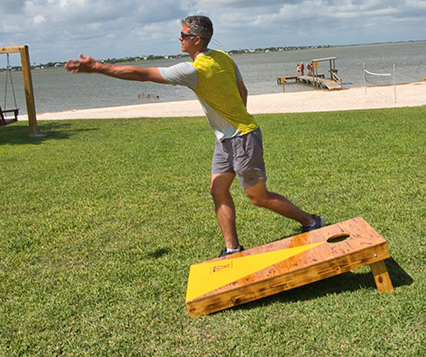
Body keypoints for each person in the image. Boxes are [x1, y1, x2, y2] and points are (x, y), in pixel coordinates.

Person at [65, 15, 325, 257]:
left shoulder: (195, 70)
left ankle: (311, 221)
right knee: (217, 189)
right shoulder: (224, 57)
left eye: (182, 35)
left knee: (259, 198)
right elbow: (241, 91)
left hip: (242, 138)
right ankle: (232, 248)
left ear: (196, 40)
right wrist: (230, 121)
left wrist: (98, 68)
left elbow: (142, 75)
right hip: (227, 139)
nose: (179, 38)